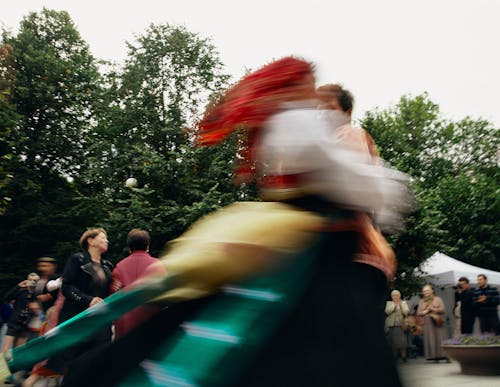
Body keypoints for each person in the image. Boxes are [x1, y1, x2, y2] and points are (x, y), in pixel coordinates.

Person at [41, 57, 411, 387]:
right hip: (323, 254)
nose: (319, 104)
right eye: (313, 92)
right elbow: (354, 188)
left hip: (310, 248)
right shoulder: (306, 126)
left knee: (235, 332)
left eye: (326, 102)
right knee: (326, 349)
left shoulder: (300, 129)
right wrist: (380, 206)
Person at [44, 228, 113, 378]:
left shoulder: (108, 266)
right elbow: (67, 287)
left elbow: (107, 294)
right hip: (78, 320)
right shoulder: (77, 259)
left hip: (99, 325)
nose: (107, 241)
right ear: (91, 241)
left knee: (94, 365)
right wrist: (88, 300)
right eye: (103, 238)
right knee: (72, 365)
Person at [110, 228, 160, 338]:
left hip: (124, 328)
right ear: (147, 246)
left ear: (129, 248)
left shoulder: (119, 268)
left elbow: (113, 299)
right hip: (152, 325)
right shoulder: (158, 266)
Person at [1, 273, 40, 353]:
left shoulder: (35, 295)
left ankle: (14, 365)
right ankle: (1, 365)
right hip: (14, 323)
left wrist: (35, 310)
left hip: (25, 326)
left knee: (19, 351)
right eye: (30, 280)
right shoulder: (21, 291)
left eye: (34, 281)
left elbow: (37, 312)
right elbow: (7, 297)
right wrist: (19, 286)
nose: (32, 282)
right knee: (5, 350)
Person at [417, 284, 448, 362]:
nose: (426, 292)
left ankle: (444, 356)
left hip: (437, 322)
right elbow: (419, 312)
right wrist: (425, 311)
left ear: (431, 291)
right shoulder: (422, 301)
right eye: (424, 291)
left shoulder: (438, 299)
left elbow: (443, 309)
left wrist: (433, 309)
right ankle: (434, 356)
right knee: (431, 339)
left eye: (427, 290)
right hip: (428, 323)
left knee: (440, 338)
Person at [385, 290, 410, 362]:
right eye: (393, 295)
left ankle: (404, 357)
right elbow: (387, 311)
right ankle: (394, 357)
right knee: (393, 343)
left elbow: (406, 312)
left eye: (397, 295)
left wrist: (401, 305)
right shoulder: (389, 303)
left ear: (399, 296)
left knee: (402, 342)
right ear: (391, 296)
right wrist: (395, 306)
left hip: (401, 325)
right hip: (391, 325)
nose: (395, 296)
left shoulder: (403, 302)